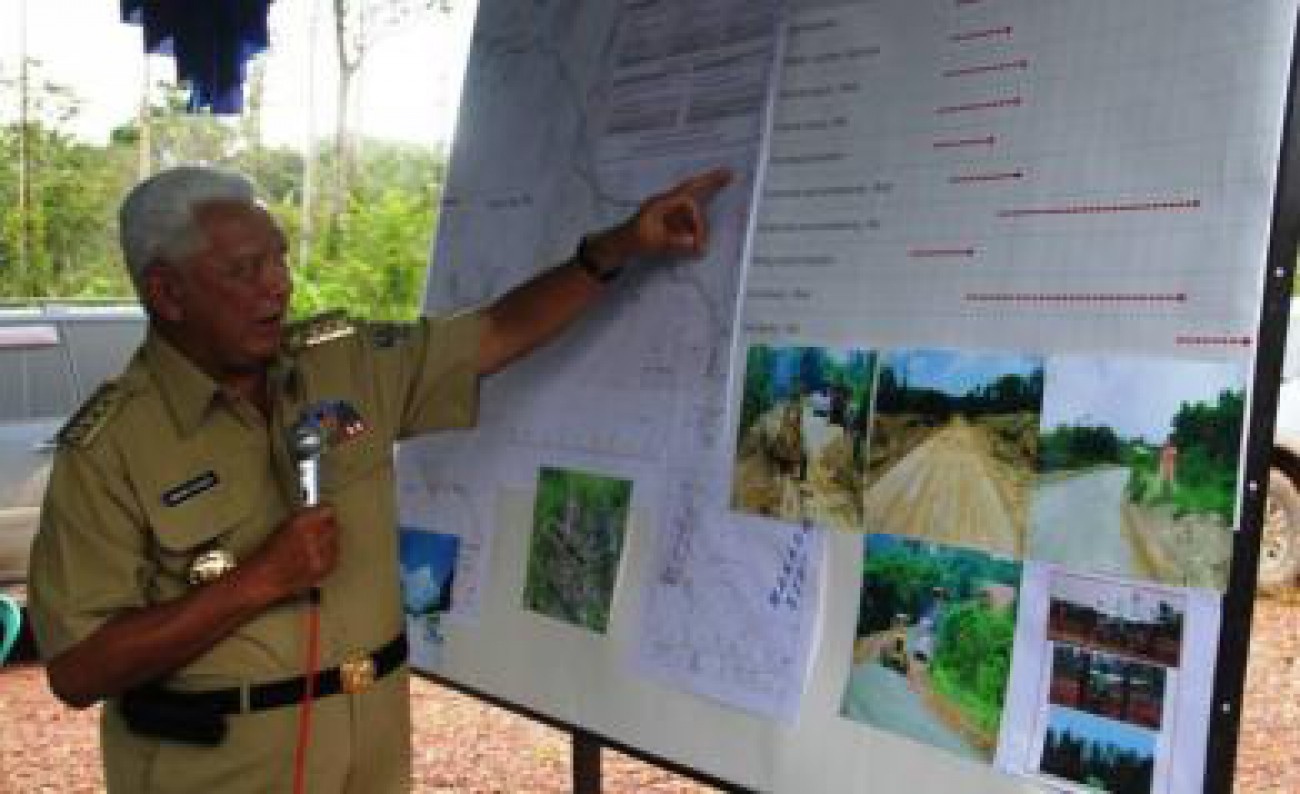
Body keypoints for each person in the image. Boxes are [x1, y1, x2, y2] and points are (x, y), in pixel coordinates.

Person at [25, 163, 731, 792]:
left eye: (279, 258)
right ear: (168, 294)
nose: (279, 285)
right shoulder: (109, 448)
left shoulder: (342, 365)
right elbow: (81, 668)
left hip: (372, 761)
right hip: (222, 771)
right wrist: (258, 581)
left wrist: (616, 249)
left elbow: (495, 333)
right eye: (244, 271)